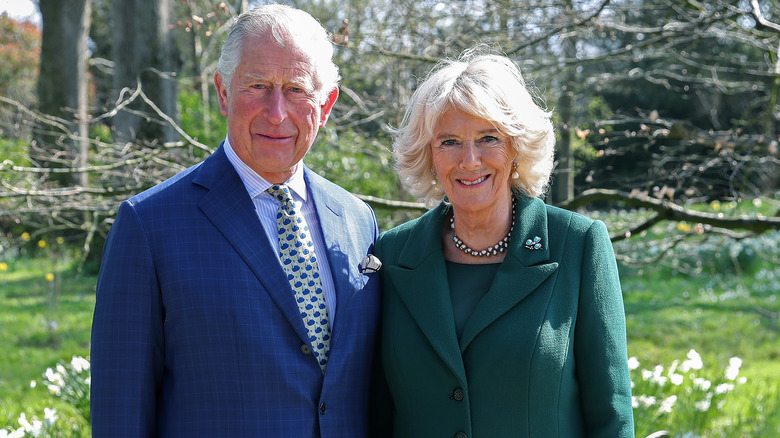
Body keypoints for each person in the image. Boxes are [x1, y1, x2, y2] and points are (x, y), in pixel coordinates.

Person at [90, 4, 381, 437]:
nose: (277, 111)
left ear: (325, 105)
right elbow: (121, 413)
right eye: (258, 85)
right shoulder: (149, 226)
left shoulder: (357, 221)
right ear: (223, 92)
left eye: (296, 89)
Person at [371, 53, 635, 437]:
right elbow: (376, 410)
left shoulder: (577, 246)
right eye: (450, 142)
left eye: (488, 138)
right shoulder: (392, 256)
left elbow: (611, 417)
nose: (469, 160)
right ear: (429, 155)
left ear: (516, 148)